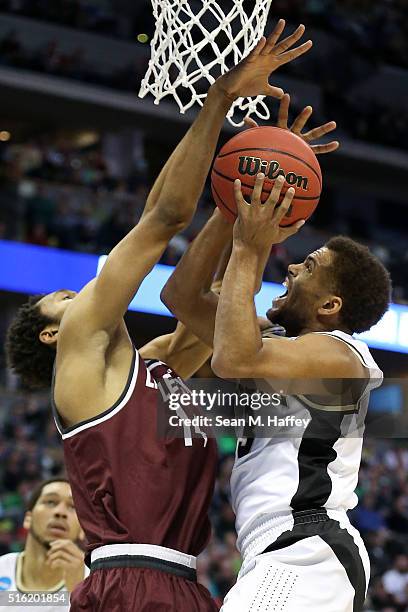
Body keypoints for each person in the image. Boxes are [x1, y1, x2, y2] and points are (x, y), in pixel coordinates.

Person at [5, 20, 313, 611]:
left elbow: (219, 309)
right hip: (127, 583)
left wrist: (249, 194)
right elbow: (165, 217)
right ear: (52, 333)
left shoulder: (153, 372)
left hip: (188, 587)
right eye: (65, 298)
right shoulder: (81, 356)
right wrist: (220, 98)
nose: (84, 295)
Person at [161, 95, 392, 611]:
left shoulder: (341, 357)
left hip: (308, 548)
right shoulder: (282, 343)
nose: (290, 269)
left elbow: (234, 360)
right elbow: (180, 297)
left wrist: (250, 246)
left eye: (307, 266)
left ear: (331, 305)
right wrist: (237, 202)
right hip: (279, 550)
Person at [0, 478, 87, 612]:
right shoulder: (2, 567)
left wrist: (80, 595)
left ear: (82, 529)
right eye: (51, 502)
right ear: (28, 518)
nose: (60, 512)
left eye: (72, 506)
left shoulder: (93, 582)